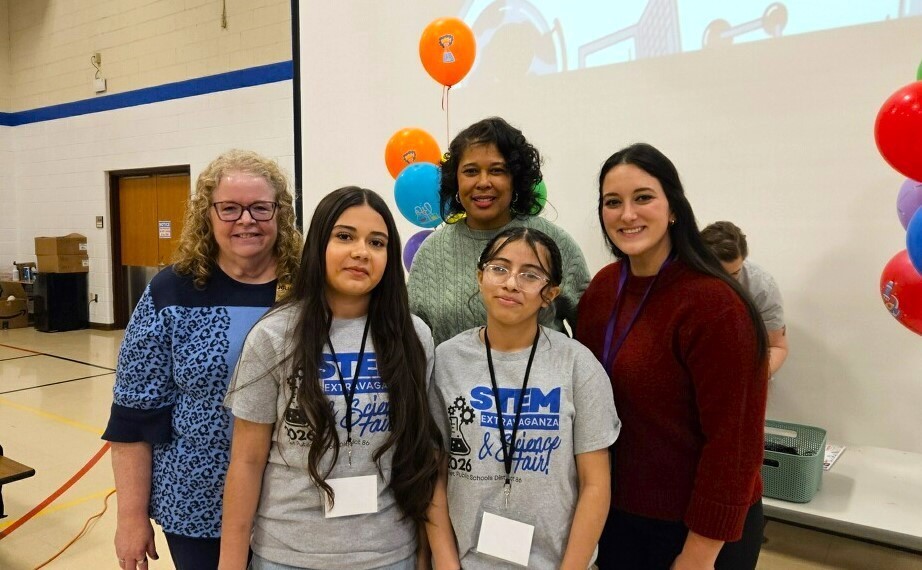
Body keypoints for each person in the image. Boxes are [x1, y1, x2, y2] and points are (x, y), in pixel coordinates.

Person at [220, 187, 442, 570]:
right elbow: (247, 460)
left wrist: (424, 553)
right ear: (319, 244)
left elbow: (418, 456)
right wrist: (231, 563)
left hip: (388, 554)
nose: (361, 252)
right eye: (344, 236)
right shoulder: (274, 336)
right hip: (288, 555)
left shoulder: (414, 336)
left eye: (377, 242)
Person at [102, 149, 302, 570]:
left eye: (260, 208)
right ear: (206, 215)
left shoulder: (308, 289)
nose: (246, 220)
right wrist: (130, 517)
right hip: (196, 504)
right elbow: (134, 416)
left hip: (293, 503)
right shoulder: (170, 292)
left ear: (280, 213)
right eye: (229, 208)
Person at [575, 143, 769, 569]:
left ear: (674, 209)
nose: (627, 214)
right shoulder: (604, 290)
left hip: (697, 529)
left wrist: (700, 552)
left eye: (643, 197)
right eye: (613, 202)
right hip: (619, 515)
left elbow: (735, 445)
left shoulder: (715, 305)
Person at [426, 227, 620, 569]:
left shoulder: (578, 366)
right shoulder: (446, 361)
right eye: (499, 268)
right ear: (480, 276)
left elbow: (595, 484)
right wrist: (445, 562)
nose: (511, 283)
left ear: (550, 293)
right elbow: (433, 475)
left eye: (530, 275)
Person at [408, 116, 590, 345]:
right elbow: (412, 343)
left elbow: (593, 334)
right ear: (455, 179)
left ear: (516, 178)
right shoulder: (431, 253)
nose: (483, 182)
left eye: (497, 171)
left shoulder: (555, 243)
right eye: (471, 171)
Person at [701, 221, 788, 375]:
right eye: (717, 274)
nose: (726, 283)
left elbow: (776, 346)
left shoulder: (762, 287)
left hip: (745, 375)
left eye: (735, 274)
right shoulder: (678, 280)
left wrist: (753, 380)